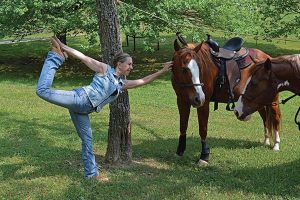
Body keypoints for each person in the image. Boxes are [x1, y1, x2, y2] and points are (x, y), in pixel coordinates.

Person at [36, 36, 173, 181]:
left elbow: (143, 81)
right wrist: (63, 46)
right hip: (80, 99)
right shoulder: (104, 69)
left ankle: (92, 175)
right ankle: (55, 57)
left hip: (83, 110)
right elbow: (83, 57)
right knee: (42, 90)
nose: (132, 67)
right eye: (129, 64)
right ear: (119, 64)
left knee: (87, 141)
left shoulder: (122, 84)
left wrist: (161, 72)